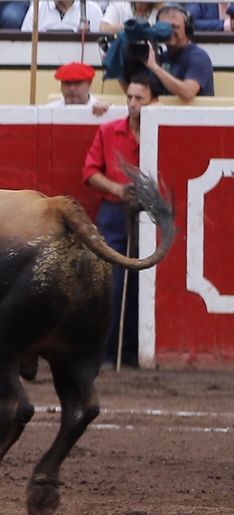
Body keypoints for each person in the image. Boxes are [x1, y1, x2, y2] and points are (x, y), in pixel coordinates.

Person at [83, 70, 155, 363]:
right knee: (112, 283)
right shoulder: (109, 130)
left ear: (153, 101)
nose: (132, 103)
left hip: (149, 216)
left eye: (139, 98)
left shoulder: (159, 131)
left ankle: (134, 352)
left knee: (142, 283)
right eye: (129, 97)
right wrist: (116, 188)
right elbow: (90, 172)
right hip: (114, 212)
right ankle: (108, 352)